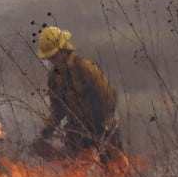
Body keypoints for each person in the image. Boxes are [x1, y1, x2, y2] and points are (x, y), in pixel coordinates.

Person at [34, 26, 123, 163]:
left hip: (102, 126)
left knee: (114, 169)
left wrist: (105, 120)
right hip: (77, 131)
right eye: (50, 59)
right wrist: (47, 131)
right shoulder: (54, 77)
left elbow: (109, 95)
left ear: (64, 50)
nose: (53, 62)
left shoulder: (84, 67)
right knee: (73, 170)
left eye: (55, 56)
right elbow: (58, 109)